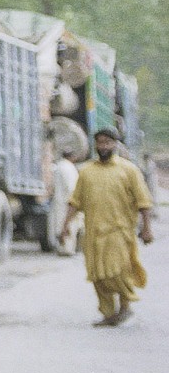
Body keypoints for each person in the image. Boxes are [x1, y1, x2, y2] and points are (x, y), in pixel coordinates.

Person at [60, 128, 154, 326]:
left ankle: (126, 305)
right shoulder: (86, 171)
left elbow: (143, 202)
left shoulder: (129, 170)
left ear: (116, 145)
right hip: (93, 233)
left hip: (119, 233)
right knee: (98, 276)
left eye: (108, 142)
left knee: (118, 271)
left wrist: (146, 228)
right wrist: (65, 226)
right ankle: (109, 313)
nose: (103, 146)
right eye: (100, 143)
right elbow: (75, 202)